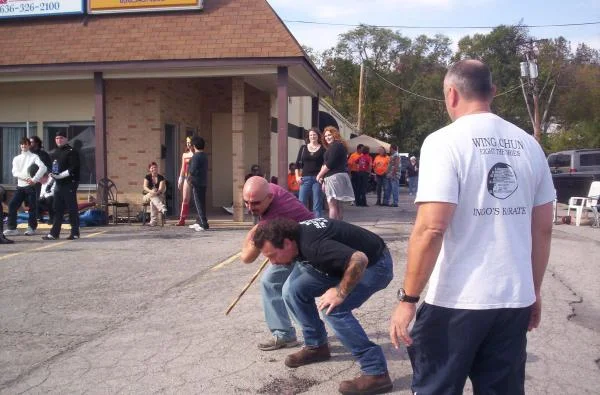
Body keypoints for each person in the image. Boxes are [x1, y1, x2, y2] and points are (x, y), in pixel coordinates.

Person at [389, 59, 555, 395]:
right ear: (492, 92)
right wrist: (533, 291)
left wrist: (408, 299)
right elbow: (543, 229)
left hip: (456, 300)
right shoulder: (530, 145)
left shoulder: (444, 141)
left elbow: (431, 228)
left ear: (451, 94)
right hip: (512, 299)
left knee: (437, 387)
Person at [253, 218, 394, 394]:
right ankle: (316, 346)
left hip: (374, 265)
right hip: (340, 264)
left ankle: (376, 373)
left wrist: (340, 292)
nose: (272, 262)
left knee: (334, 308)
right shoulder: (295, 239)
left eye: (273, 255)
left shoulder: (313, 246)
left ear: (287, 243)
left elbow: (359, 259)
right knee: (292, 290)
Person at [240, 176, 314, 351]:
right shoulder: (269, 188)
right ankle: (293, 335)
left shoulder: (275, 213)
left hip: (306, 247)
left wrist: (251, 235)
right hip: (292, 242)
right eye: (246, 202)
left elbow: (247, 257)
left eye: (255, 203)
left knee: (287, 288)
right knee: (273, 283)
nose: (250, 208)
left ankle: (308, 337)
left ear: (269, 197)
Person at [3, 137, 47, 237]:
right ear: (20, 146)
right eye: (22, 144)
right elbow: (15, 172)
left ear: (29, 145)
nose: (23, 146)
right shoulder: (16, 158)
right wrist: (26, 178)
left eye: (25, 144)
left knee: (32, 207)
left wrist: (34, 179)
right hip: (20, 186)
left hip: (30, 186)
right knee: (12, 205)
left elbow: (43, 167)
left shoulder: (34, 157)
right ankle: (12, 228)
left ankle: (31, 228)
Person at [42, 131, 81, 241]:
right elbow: (53, 168)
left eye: (61, 138)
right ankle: (54, 233)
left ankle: (75, 232)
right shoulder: (55, 152)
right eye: (57, 138)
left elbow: (74, 168)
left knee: (71, 208)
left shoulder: (72, 152)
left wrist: (61, 176)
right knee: (57, 208)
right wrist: (51, 177)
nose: (59, 140)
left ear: (66, 139)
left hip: (70, 183)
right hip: (58, 184)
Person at [316, 126, 355, 220]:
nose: (327, 137)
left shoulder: (336, 146)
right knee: (338, 205)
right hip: (337, 177)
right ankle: (339, 228)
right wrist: (323, 178)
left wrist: (319, 175)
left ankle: (333, 228)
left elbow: (329, 164)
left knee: (332, 205)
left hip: (334, 178)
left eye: (329, 135)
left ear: (335, 134)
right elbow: (326, 163)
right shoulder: (337, 146)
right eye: (325, 136)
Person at [295, 128, 325, 217]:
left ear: (318, 136)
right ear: (308, 136)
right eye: (311, 135)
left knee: (317, 204)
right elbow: (297, 164)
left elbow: (325, 164)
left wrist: (322, 176)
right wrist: (297, 177)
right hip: (305, 179)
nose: (312, 136)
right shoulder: (303, 148)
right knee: (301, 202)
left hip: (317, 178)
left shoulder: (323, 148)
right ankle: (302, 223)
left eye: (314, 134)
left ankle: (318, 225)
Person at [188, 136, 209, 231]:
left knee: (198, 203)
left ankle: (203, 223)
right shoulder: (204, 155)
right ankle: (198, 221)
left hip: (196, 182)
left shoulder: (196, 156)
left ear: (195, 145)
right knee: (201, 202)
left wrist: (189, 178)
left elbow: (192, 170)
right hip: (203, 181)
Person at [29, 135, 52, 222]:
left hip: (42, 180)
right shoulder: (29, 154)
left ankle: (47, 216)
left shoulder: (43, 154)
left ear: (37, 143)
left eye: (31, 142)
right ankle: (37, 217)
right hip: (31, 180)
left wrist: (46, 177)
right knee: (32, 199)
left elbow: (49, 166)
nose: (30, 144)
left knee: (42, 198)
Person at [142, 162, 167, 227]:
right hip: (147, 196)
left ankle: (153, 222)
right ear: (149, 169)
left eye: (155, 167)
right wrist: (151, 191)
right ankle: (162, 208)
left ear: (157, 168)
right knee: (152, 195)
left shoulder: (161, 177)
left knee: (152, 202)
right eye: (152, 168)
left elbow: (161, 189)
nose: (154, 169)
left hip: (158, 195)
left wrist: (156, 192)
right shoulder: (147, 177)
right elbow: (145, 187)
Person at [176, 137, 194, 226]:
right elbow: (183, 167)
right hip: (187, 178)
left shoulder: (197, 154)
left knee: (198, 199)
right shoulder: (185, 155)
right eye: (187, 142)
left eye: (190, 142)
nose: (188, 144)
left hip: (195, 178)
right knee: (185, 198)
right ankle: (182, 219)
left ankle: (201, 219)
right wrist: (180, 178)